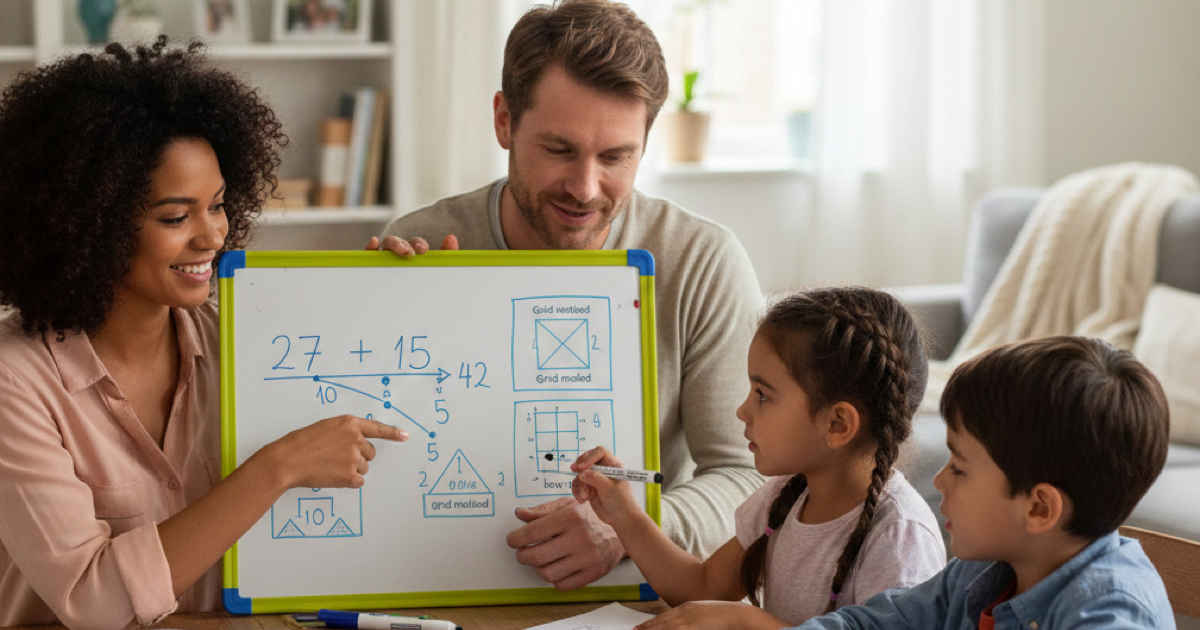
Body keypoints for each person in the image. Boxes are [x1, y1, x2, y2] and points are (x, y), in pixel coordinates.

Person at [0, 40, 408, 627]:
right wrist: (277, 468)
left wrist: (399, 298)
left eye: (216, 205)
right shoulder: (16, 381)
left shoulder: (242, 339)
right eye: (175, 217)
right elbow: (93, 601)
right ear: (89, 224)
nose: (212, 236)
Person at [377, 0, 766, 592]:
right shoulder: (420, 242)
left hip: (636, 595)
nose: (585, 189)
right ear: (504, 121)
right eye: (559, 150)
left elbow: (748, 476)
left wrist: (628, 529)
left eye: (615, 157)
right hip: (440, 580)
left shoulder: (701, 260)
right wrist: (372, 312)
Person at [572, 287, 946, 628]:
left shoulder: (900, 538)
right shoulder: (785, 497)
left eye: (762, 395)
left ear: (837, 424)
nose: (742, 411)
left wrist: (748, 621)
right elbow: (703, 587)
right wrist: (624, 512)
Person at [773, 336, 1174, 630]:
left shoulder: (1111, 616)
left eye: (960, 468)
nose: (939, 480)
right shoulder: (981, 570)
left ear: (1039, 508)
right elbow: (874, 624)